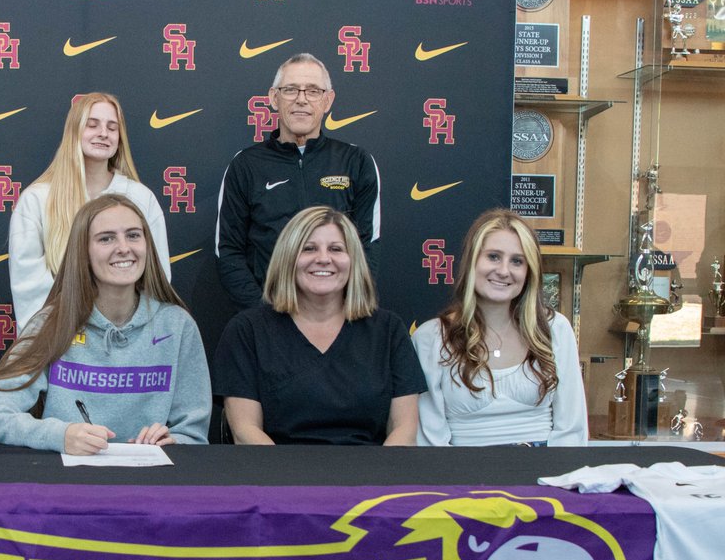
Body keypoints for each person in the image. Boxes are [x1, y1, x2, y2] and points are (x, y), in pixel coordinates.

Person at [0, 194, 209, 454]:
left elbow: (193, 435)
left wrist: (173, 442)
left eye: (133, 235)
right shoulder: (53, 322)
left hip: (151, 487)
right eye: (106, 238)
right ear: (83, 252)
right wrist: (59, 435)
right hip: (69, 487)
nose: (123, 247)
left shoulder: (177, 326)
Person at [214, 206, 423, 445]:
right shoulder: (246, 331)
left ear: (353, 260)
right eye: (308, 249)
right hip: (277, 474)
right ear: (288, 258)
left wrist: (375, 480)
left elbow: (404, 429)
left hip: (370, 475)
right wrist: (290, 480)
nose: (323, 258)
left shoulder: (388, 330)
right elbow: (245, 431)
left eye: (336, 249)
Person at [216, 52, 382, 312]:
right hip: (268, 318)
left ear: (328, 100)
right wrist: (264, 315)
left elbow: (366, 247)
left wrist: (340, 312)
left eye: (313, 91)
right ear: (274, 98)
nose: (301, 99)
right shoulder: (246, 165)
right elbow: (229, 252)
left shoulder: (356, 161)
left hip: (336, 318)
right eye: (290, 89)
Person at [412, 209, 587, 446]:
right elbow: (429, 440)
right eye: (493, 256)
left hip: (545, 474)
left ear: (529, 272)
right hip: (462, 476)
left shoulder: (555, 329)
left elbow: (571, 431)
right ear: (471, 261)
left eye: (517, 261)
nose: (504, 270)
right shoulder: (430, 338)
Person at [9, 92, 170, 330]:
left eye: (112, 127)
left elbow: (157, 278)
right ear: (74, 131)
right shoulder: (37, 199)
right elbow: (28, 287)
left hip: (126, 336)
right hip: (61, 338)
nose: (103, 133)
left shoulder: (141, 198)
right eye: (92, 125)